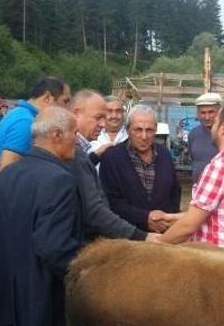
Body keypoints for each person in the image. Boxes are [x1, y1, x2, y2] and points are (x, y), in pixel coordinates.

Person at [0, 106, 81, 326]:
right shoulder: (60, 180)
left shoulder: (7, 175)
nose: (78, 139)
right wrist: (88, 269)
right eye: (74, 132)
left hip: (12, 291)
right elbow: (55, 247)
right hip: (42, 297)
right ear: (56, 134)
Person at [160, 102, 224, 253]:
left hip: (218, 266)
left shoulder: (221, 167)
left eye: (215, 122)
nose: (211, 127)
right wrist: (170, 218)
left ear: (223, 128)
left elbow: (188, 227)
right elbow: (217, 215)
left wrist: (156, 245)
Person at [70, 90, 155, 242]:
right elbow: (95, 210)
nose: (104, 124)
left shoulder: (79, 153)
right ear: (76, 113)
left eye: (118, 111)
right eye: (99, 117)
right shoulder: (71, 152)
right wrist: (141, 235)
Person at [99, 104, 181, 233]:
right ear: (127, 130)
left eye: (149, 130)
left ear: (155, 130)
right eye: (138, 130)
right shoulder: (112, 158)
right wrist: (145, 218)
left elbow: (174, 192)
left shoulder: (164, 154)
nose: (144, 136)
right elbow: (111, 201)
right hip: (128, 236)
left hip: (163, 234)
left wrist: (166, 220)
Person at [0, 77, 70, 171]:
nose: (67, 109)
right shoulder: (26, 123)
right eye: (65, 101)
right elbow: (6, 170)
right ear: (47, 97)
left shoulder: (20, 115)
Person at [188, 92, 221, 183]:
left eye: (211, 112)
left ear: (219, 111)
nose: (207, 117)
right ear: (198, 114)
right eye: (203, 113)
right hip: (199, 190)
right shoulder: (193, 134)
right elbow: (193, 158)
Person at [88, 95, 128, 165]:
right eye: (109, 111)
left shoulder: (131, 136)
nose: (114, 116)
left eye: (118, 111)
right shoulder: (91, 136)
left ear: (123, 113)